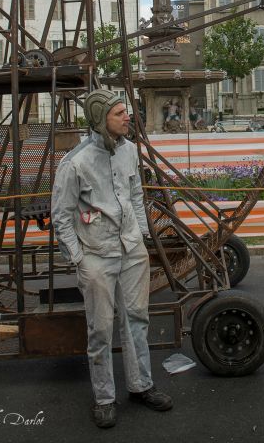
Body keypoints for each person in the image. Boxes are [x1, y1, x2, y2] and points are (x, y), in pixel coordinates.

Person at [51, 89, 172, 428]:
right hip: (96, 256)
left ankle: (141, 385)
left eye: (125, 111)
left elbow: (136, 194)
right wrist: (79, 258)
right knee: (100, 329)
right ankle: (104, 398)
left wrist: (141, 236)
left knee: (136, 320)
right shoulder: (75, 162)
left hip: (131, 251)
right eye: (119, 113)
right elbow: (61, 216)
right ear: (100, 119)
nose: (127, 117)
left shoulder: (130, 151)